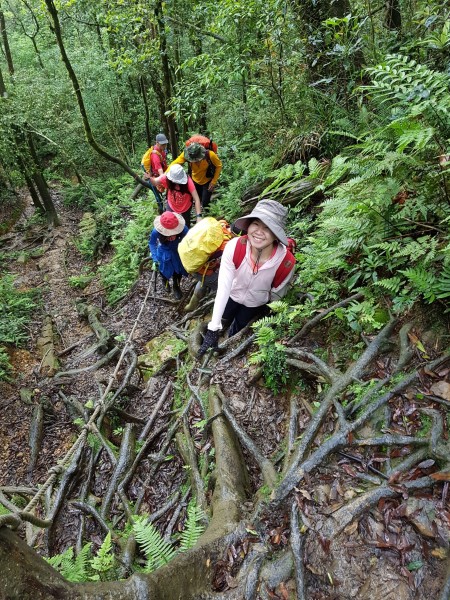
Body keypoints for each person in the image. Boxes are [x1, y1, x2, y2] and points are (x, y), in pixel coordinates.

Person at [198, 200, 296, 356]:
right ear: (249, 225)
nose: (259, 231)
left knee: (241, 326)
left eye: (267, 228)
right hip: (231, 294)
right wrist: (212, 329)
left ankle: (229, 346)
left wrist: (268, 309)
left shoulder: (286, 262)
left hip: (255, 304)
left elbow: (277, 294)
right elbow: (223, 287)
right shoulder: (234, 247)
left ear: (276, 234)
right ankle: (219, 335)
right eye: (256, 224)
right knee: (224, 318)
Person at [170, 142, 222, 211]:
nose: (195, 161)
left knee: (205, 202)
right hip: (194, 181)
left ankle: (208, 215)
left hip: (207, 181)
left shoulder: (210, 155)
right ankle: (199, 213)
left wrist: (213, 182)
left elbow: (219, 166)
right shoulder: (187, 155)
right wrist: (166, 173)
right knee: (196, 199)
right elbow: (175, 163)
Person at [149, 211, 188, 300]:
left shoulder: (184, 230)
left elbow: (189, 240)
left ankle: (176, 285)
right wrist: (155, 258)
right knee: (163, 268)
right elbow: (152, 243)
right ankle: (165, 281)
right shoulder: (156, 232)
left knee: (178, 270)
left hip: (177, 251)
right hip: (163, 251)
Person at [149, 164, 202, 228]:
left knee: (185, 225)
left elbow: (196, 199)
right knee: (168, 223)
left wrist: (199, 216)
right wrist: (149, 178)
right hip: (171, 205)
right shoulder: (166, 178)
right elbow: (155, 182)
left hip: (185, 207)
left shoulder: (188, 182)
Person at [141, 133, 169, 214]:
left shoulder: (161, 150)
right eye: (162, 144)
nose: (164, 146)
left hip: (161, 174)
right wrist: (165, 181)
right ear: (157, 143)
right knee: (158, 197)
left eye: (165, 144)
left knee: (163, 193)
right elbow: (160, 171)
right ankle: (162, 212)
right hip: (155, 177)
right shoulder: (154, 155)